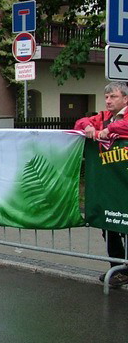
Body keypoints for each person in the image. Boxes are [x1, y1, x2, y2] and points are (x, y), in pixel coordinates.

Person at [74, 81, 128, 287]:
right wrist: (88, 126)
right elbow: (80, 122)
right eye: (106, 97)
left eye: (113, 97)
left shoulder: (117, 119)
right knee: (109, 225)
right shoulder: (104, 116)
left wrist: (109, 129)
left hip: (125, 182)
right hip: (110, 184)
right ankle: (119, 268)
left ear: (125, 99)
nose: (108, 101)